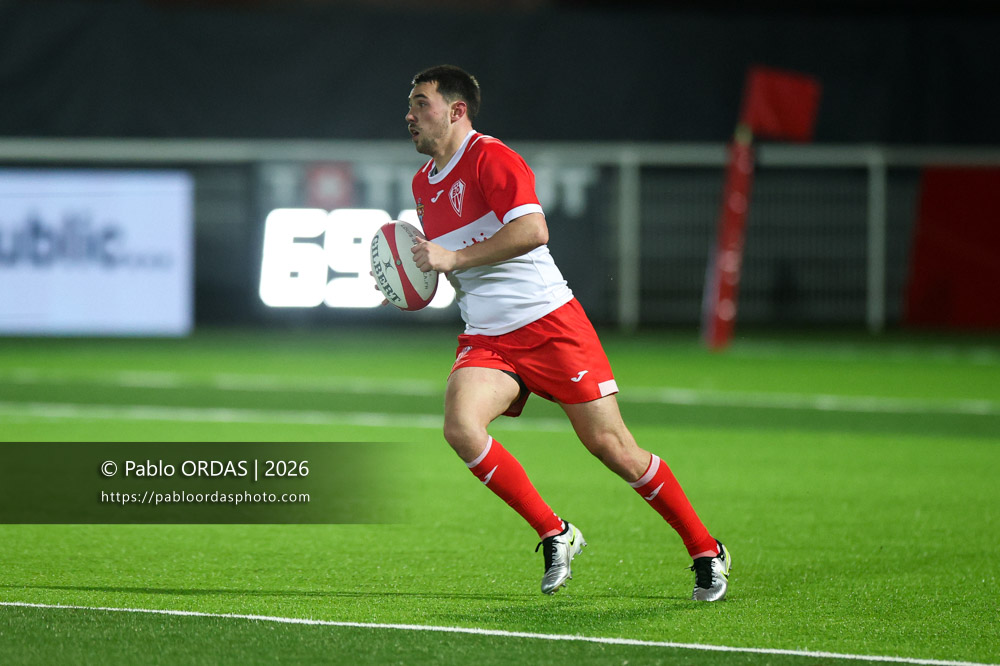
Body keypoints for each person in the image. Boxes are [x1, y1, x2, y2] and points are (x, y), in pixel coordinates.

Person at [402, 64, 731, 600]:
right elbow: (454, 266)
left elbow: (532, 230)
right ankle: (556, 533)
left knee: (613, 448)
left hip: (550, 324)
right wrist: (411, 279)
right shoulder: (423, 184)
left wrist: (453, 255)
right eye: (411, 105)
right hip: (488, 335)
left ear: (457, 110)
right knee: (461, 427)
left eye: (421, 103)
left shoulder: (491, 157)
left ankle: (706, 550)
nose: (410, 114)